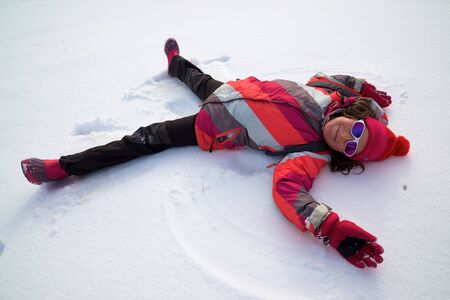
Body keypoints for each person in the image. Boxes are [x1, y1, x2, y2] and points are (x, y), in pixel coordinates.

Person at [21, 38, 410, 269]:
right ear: (354, 115)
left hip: (213, 126)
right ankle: (175, 64)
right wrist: (366, 89)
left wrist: (328, 227)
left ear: (345, 156)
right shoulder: (327, 93)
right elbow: (338, 78)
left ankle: (64, 167)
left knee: (145, 137)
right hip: (231, 91)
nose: (346, 136)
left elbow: (289, 189)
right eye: (356, 128)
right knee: (196, 78)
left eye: (351, 146)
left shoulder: (311, 152)